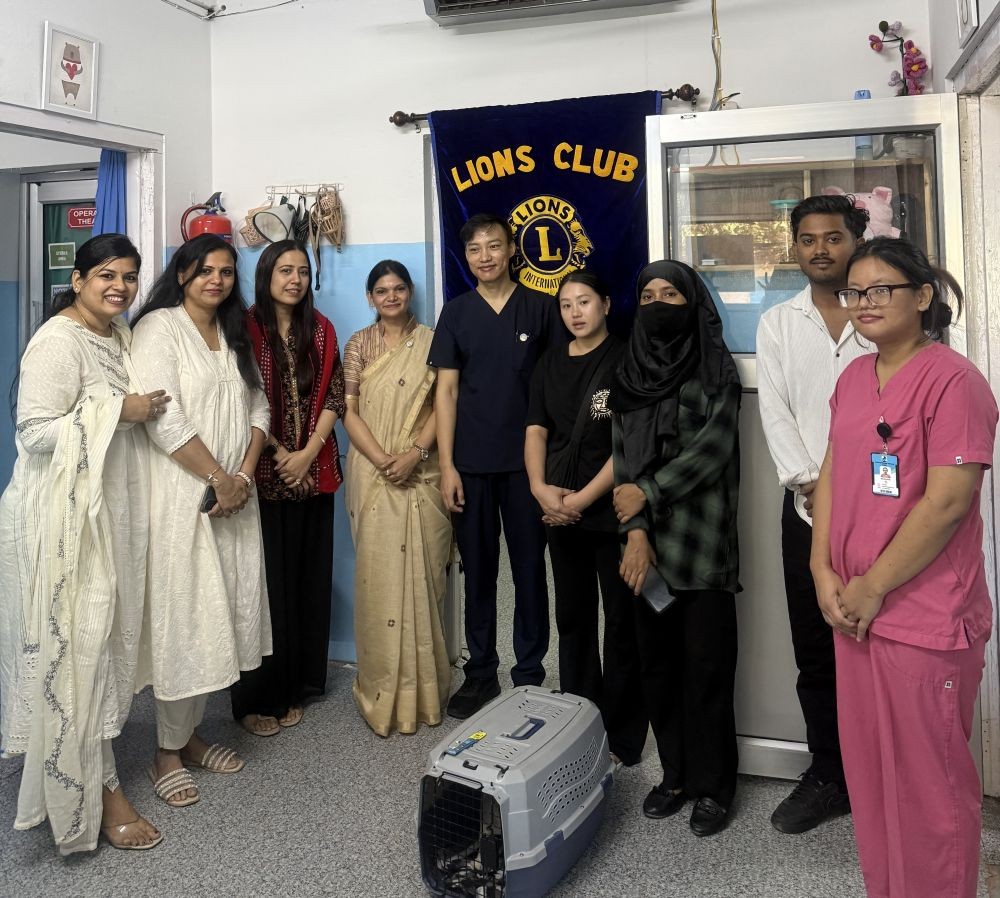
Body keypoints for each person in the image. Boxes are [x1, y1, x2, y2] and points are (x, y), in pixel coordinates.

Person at [811, 236, 998, 898]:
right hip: (854, 613)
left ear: (922, 298)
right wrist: (821, 568)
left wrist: (871, 586)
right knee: (872, 776)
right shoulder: (854, 379)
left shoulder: (954, 382)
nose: (863, 302)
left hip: (921, 617)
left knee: (929, 788)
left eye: (880, 289)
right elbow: (833, 470)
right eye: (853, 292)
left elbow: (948, 503)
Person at [0, 234, 169, 852]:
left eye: (128, 276)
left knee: (101, 647)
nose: (119, 286)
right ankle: (96, 796)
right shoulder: (58, 341)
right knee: (79, 653)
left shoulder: (117, 335)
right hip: (61, 522)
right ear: (77, 281)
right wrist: (120, 410)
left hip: (106, 511)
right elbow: (36, 431)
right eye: (105, 274)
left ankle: (88, 770)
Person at [130, 234, 272, 809]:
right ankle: (165, 752)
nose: (217, 280)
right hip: (186, 497)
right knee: (185, 619)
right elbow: (162, 420)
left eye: (227, 272)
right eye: (206, 270)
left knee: (222, 615)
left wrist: (242, 474)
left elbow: (258, 405)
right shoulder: (159, 328)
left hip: (236, 496)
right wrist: (218, 478)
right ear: (183, 272)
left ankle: (188, 737)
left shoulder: (234, 332)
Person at [611, 260, 742, 837]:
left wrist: (648, 491)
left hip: (702, 547)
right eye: (648, 294)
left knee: (707, 670)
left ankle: (715, 788)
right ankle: (677, 777)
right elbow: (622, 460)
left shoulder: (716, 370)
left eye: (672, 293)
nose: (659, 302)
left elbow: (712, 452)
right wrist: (635, 531)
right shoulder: (630, 372)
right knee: (659, 668)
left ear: (693, 303)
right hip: (648, 554)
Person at [755, 193, 870, 833]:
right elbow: (775, 412)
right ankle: (829, 772)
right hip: (803, 510)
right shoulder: (778, 323)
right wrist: (810, 484)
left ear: (856, 239)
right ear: (794, 248)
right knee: (816, 647)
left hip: (885, 512)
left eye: (833, 236)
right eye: (807, 238)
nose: (820, 248)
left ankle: (881, 770)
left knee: (878, 640)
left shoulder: (880, 314)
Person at [428, 213, 566, 719]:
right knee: (479, 573)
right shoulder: (458, 313)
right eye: (474, 250)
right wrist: (447, 466)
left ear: (512, 251)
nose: (485, 256)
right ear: (466, 259)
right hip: (471, 464)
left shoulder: (541, 309)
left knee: (531, 571)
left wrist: (550, 473)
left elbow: (556, 388)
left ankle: (529, 673)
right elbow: (446, 391)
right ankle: (480, 671)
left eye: (494, 246)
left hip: (529, 469)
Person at [524, 270, 645, 765]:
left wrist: (579, 501)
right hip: (557, 508)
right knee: (572, 618)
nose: (576, 312)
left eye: (585, 302)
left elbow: (626, 443)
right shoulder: (548, 363)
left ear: (607, 305)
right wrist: (540, 490)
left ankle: (621, 737)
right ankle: (577, 719)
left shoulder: (625, 361)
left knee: (620, 623)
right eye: (567, 305)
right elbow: (535, 430)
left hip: (607, 511)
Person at [230, 240, 345, 735]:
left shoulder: (321, 330)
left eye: (302, 271)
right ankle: (258, 696)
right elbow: (240, 400)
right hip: (261, 474)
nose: (295, 279)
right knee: (265, 587)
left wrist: (308, 452)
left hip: (314, 471)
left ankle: (297, 684)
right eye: (285, 270)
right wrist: (281, 454)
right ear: (266, 275)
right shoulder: (243, 329)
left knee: (307, 580)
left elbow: (336, 392)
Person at [343, 260, 452, 736]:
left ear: (409, 293)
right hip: (371, 473)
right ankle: (382, 692)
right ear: (370, 297)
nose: (391, 297)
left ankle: (426, 694)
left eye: (399, 288)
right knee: (377, 582)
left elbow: (446, 403)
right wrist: (384, 458)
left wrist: (414, 452)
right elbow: (348, 411)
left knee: (426, 581)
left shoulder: (433, 341)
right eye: (381, 290)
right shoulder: (358, 345)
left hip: (422, 472)